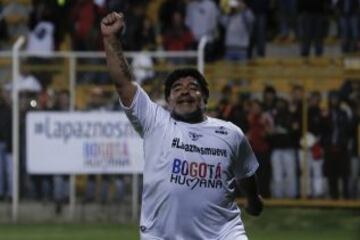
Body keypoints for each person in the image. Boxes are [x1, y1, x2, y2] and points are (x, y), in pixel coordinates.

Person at [101, 12, 263, 240]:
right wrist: (111, 39)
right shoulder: (156, 122)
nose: (185, 90)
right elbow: (123, 82)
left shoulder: (230, 133)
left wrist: (254, 200)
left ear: (205, 98)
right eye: (177, 88)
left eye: (193, 87)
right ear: (168, 101)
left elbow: (245, 173)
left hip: (223, 234)